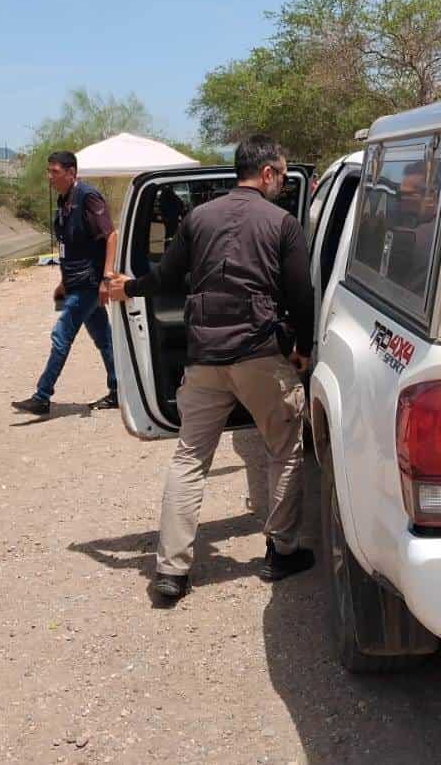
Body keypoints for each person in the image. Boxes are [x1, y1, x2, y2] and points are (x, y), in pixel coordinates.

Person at [106, 134, 316, 603]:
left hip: (203, 359)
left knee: (188, 460)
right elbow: (302, 294)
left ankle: (171, 571)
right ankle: (282, 551)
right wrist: (303, 347)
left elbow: (164, 277)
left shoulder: (199, 218)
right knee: (282, 450)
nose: (282, 182)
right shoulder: (283, 222)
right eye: (281, 174)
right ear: (266, 173)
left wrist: (129, 287)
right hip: (260, 354)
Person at [11, 151, 118, 416]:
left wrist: (107, 278)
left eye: (55, 172)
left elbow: (111, 236)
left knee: (61, 335)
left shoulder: (88, 197)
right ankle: (119, 389)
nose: (50, 177)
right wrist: (63, 282)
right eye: (48, 171)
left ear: (71, 173)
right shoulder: (64, 201)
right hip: (75, 282)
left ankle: (42, 395)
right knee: (104, 339)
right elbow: (67, 247)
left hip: (90, 283)